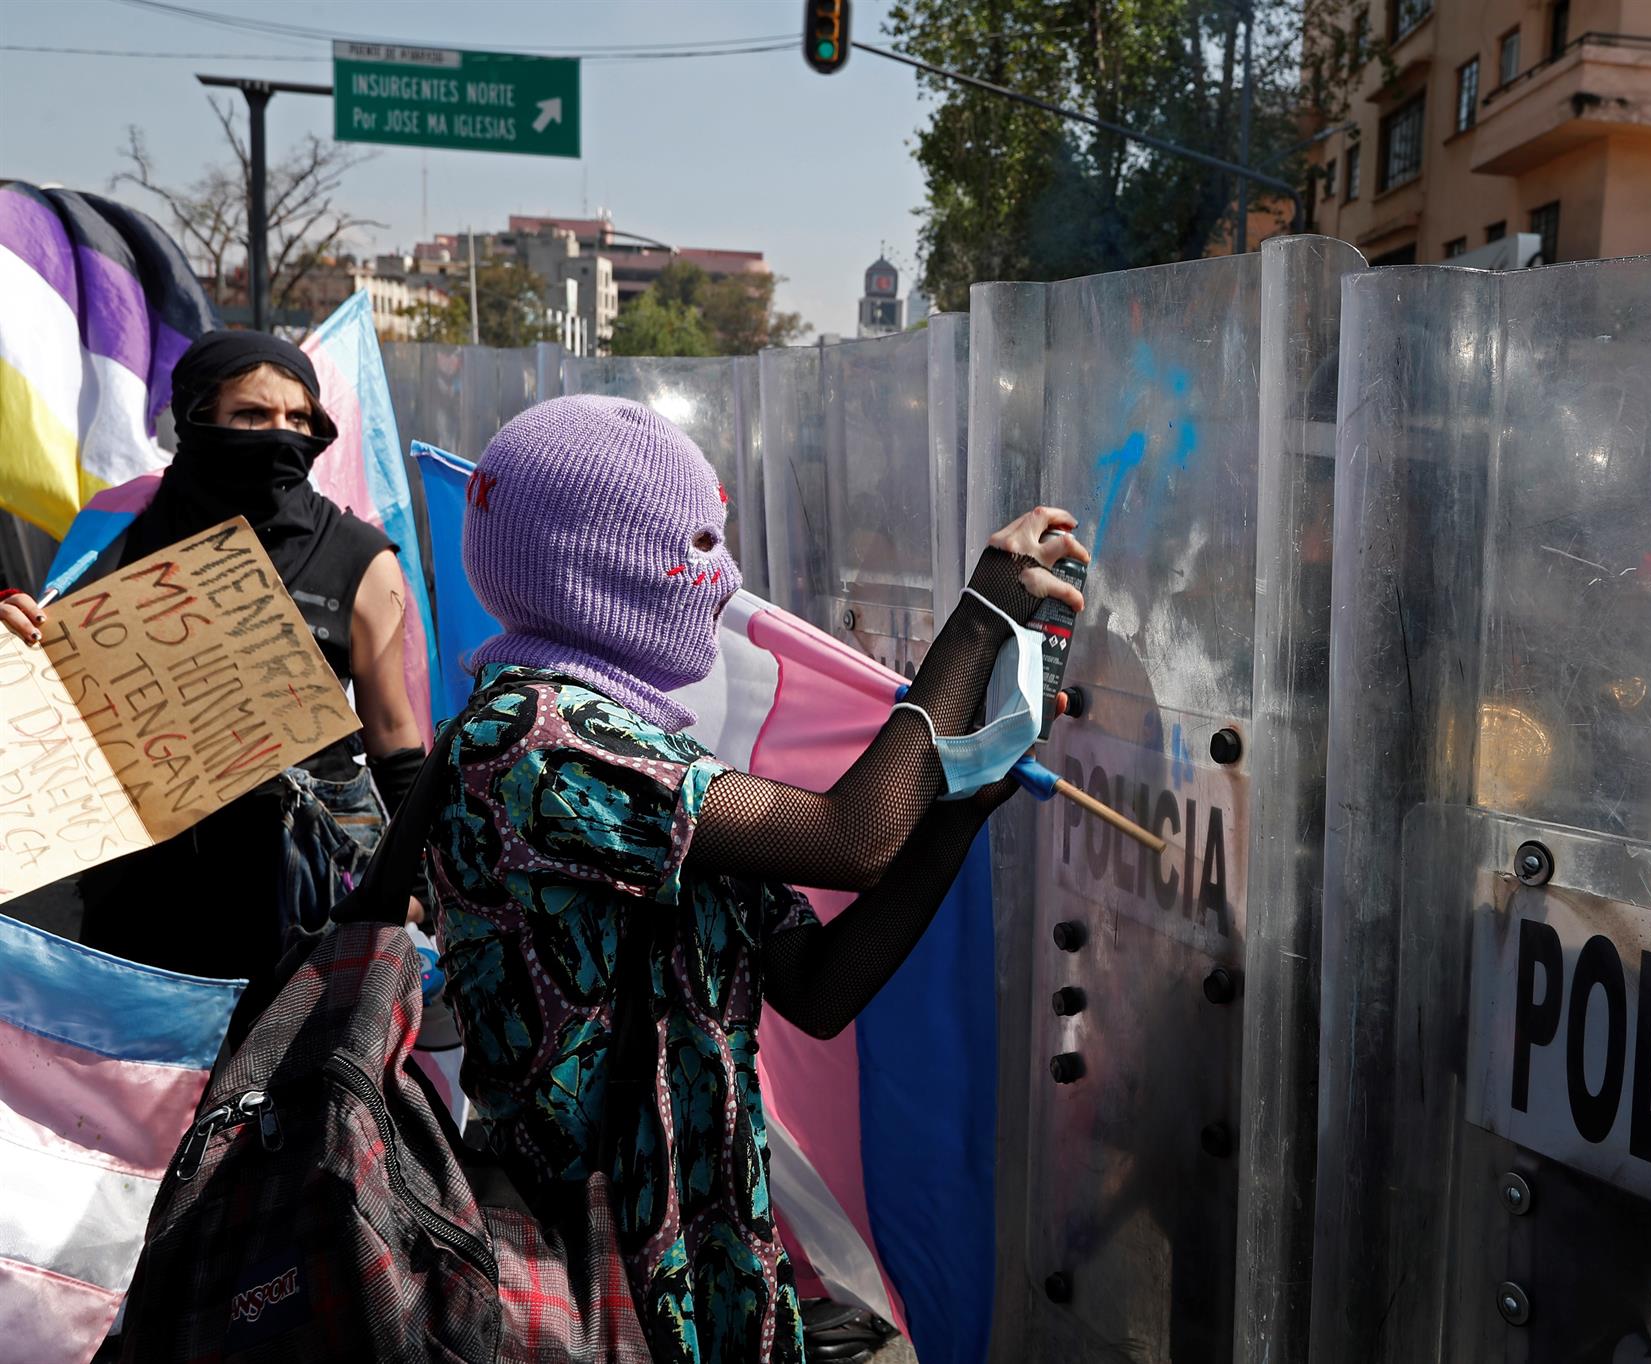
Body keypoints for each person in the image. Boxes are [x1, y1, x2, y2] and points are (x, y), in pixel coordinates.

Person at [431, 395, 1085, 1363]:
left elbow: (818, 987)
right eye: (696, 542)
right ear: (591, 558)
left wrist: (959, 805)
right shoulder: (535, 742)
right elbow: (848, 838)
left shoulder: (644, 750)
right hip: (585, 1251)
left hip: (712, 1249)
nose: (723, 579)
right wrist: (980, 619)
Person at [0, 329, 427, 984]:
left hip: (301, 904)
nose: (280, 434)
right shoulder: (116, 529)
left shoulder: (361, 560)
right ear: (199, 416)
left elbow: (395, 737)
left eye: (298, 418)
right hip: (141, 899)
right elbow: (55, 690)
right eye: (252, 416)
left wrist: (418, 876)